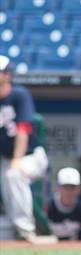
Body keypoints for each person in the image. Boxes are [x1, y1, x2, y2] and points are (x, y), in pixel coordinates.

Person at [0, 55, 51, 243]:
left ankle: (26, 229)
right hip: (6, 158)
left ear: (7, 75)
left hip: (31, 156)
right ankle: (18, 232)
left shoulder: (18, 94)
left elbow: (23, 130)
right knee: (8, 183)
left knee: (14, 174)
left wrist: (16, 160)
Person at [48, 167, 81, 240]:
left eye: (72, 187)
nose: (68, 192)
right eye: (65, 187)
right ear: (57, 188)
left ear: (79, 189)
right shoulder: (48, 207)